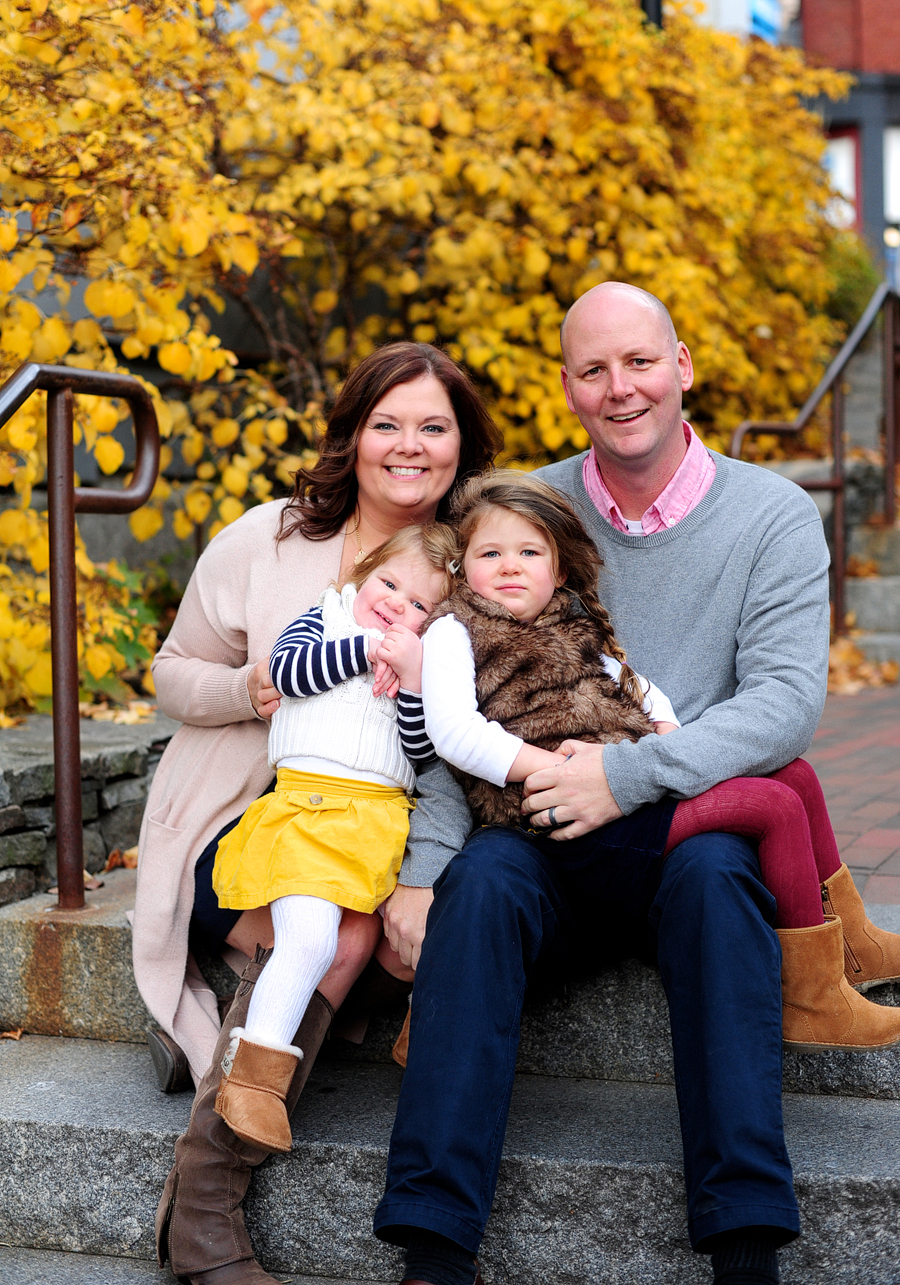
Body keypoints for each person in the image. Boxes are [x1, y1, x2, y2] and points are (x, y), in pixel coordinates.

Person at [373, 283, 900, 1285]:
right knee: (479, 887)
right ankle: (434, 1248)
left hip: (678, 836)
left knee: (715, 878)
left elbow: (784, 702)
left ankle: (746, 1244)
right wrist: (421, 870)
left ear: (684, 365)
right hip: (531, 830)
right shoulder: (525, 508)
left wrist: (627, 773)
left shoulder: (773, 515)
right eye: (593, 370)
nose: (621, 389)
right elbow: (457, 700)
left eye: (641, 362)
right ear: (568, 387)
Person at [137, 340, 502, 1285]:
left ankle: (235, 1048)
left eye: (434, 426)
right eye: (387, 423)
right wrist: (257, 687)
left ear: (463, 444)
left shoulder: (480, 567)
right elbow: (171, 672)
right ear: (353, 435)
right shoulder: (271, 540)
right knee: (338, 935)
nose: (409, 446)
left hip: (383, 824)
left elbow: (452, 755)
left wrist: (421, 868)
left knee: (373, 924)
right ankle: (206, 1209)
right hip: (248, 816)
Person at [418, 470, 900, 1053]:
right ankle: (811, 996)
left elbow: (639, 688)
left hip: (616, 785)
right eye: (490, 553)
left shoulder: (571, 624)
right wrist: (544, 770)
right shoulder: (453, 631)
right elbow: (453, 734)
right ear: (461, 567)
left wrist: (665, 742)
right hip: (557, 812)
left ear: (558, 569)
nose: (510, 565)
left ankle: (853, 945)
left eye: (527, 552)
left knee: (794, 774)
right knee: (772, 804)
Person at [211, 524, 456, 1154]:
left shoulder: (423, 664)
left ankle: (429, 1036)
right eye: (389, 583)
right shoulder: (323, 620)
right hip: (310, 816)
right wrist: (367, 648)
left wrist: (410, 683)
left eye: (420, 604)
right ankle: (253, 1082)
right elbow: (287, 674)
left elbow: (424, 752)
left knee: (437, 922)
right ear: (362, 574)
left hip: (382, 826)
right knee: (313, 938)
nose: (399, 603)